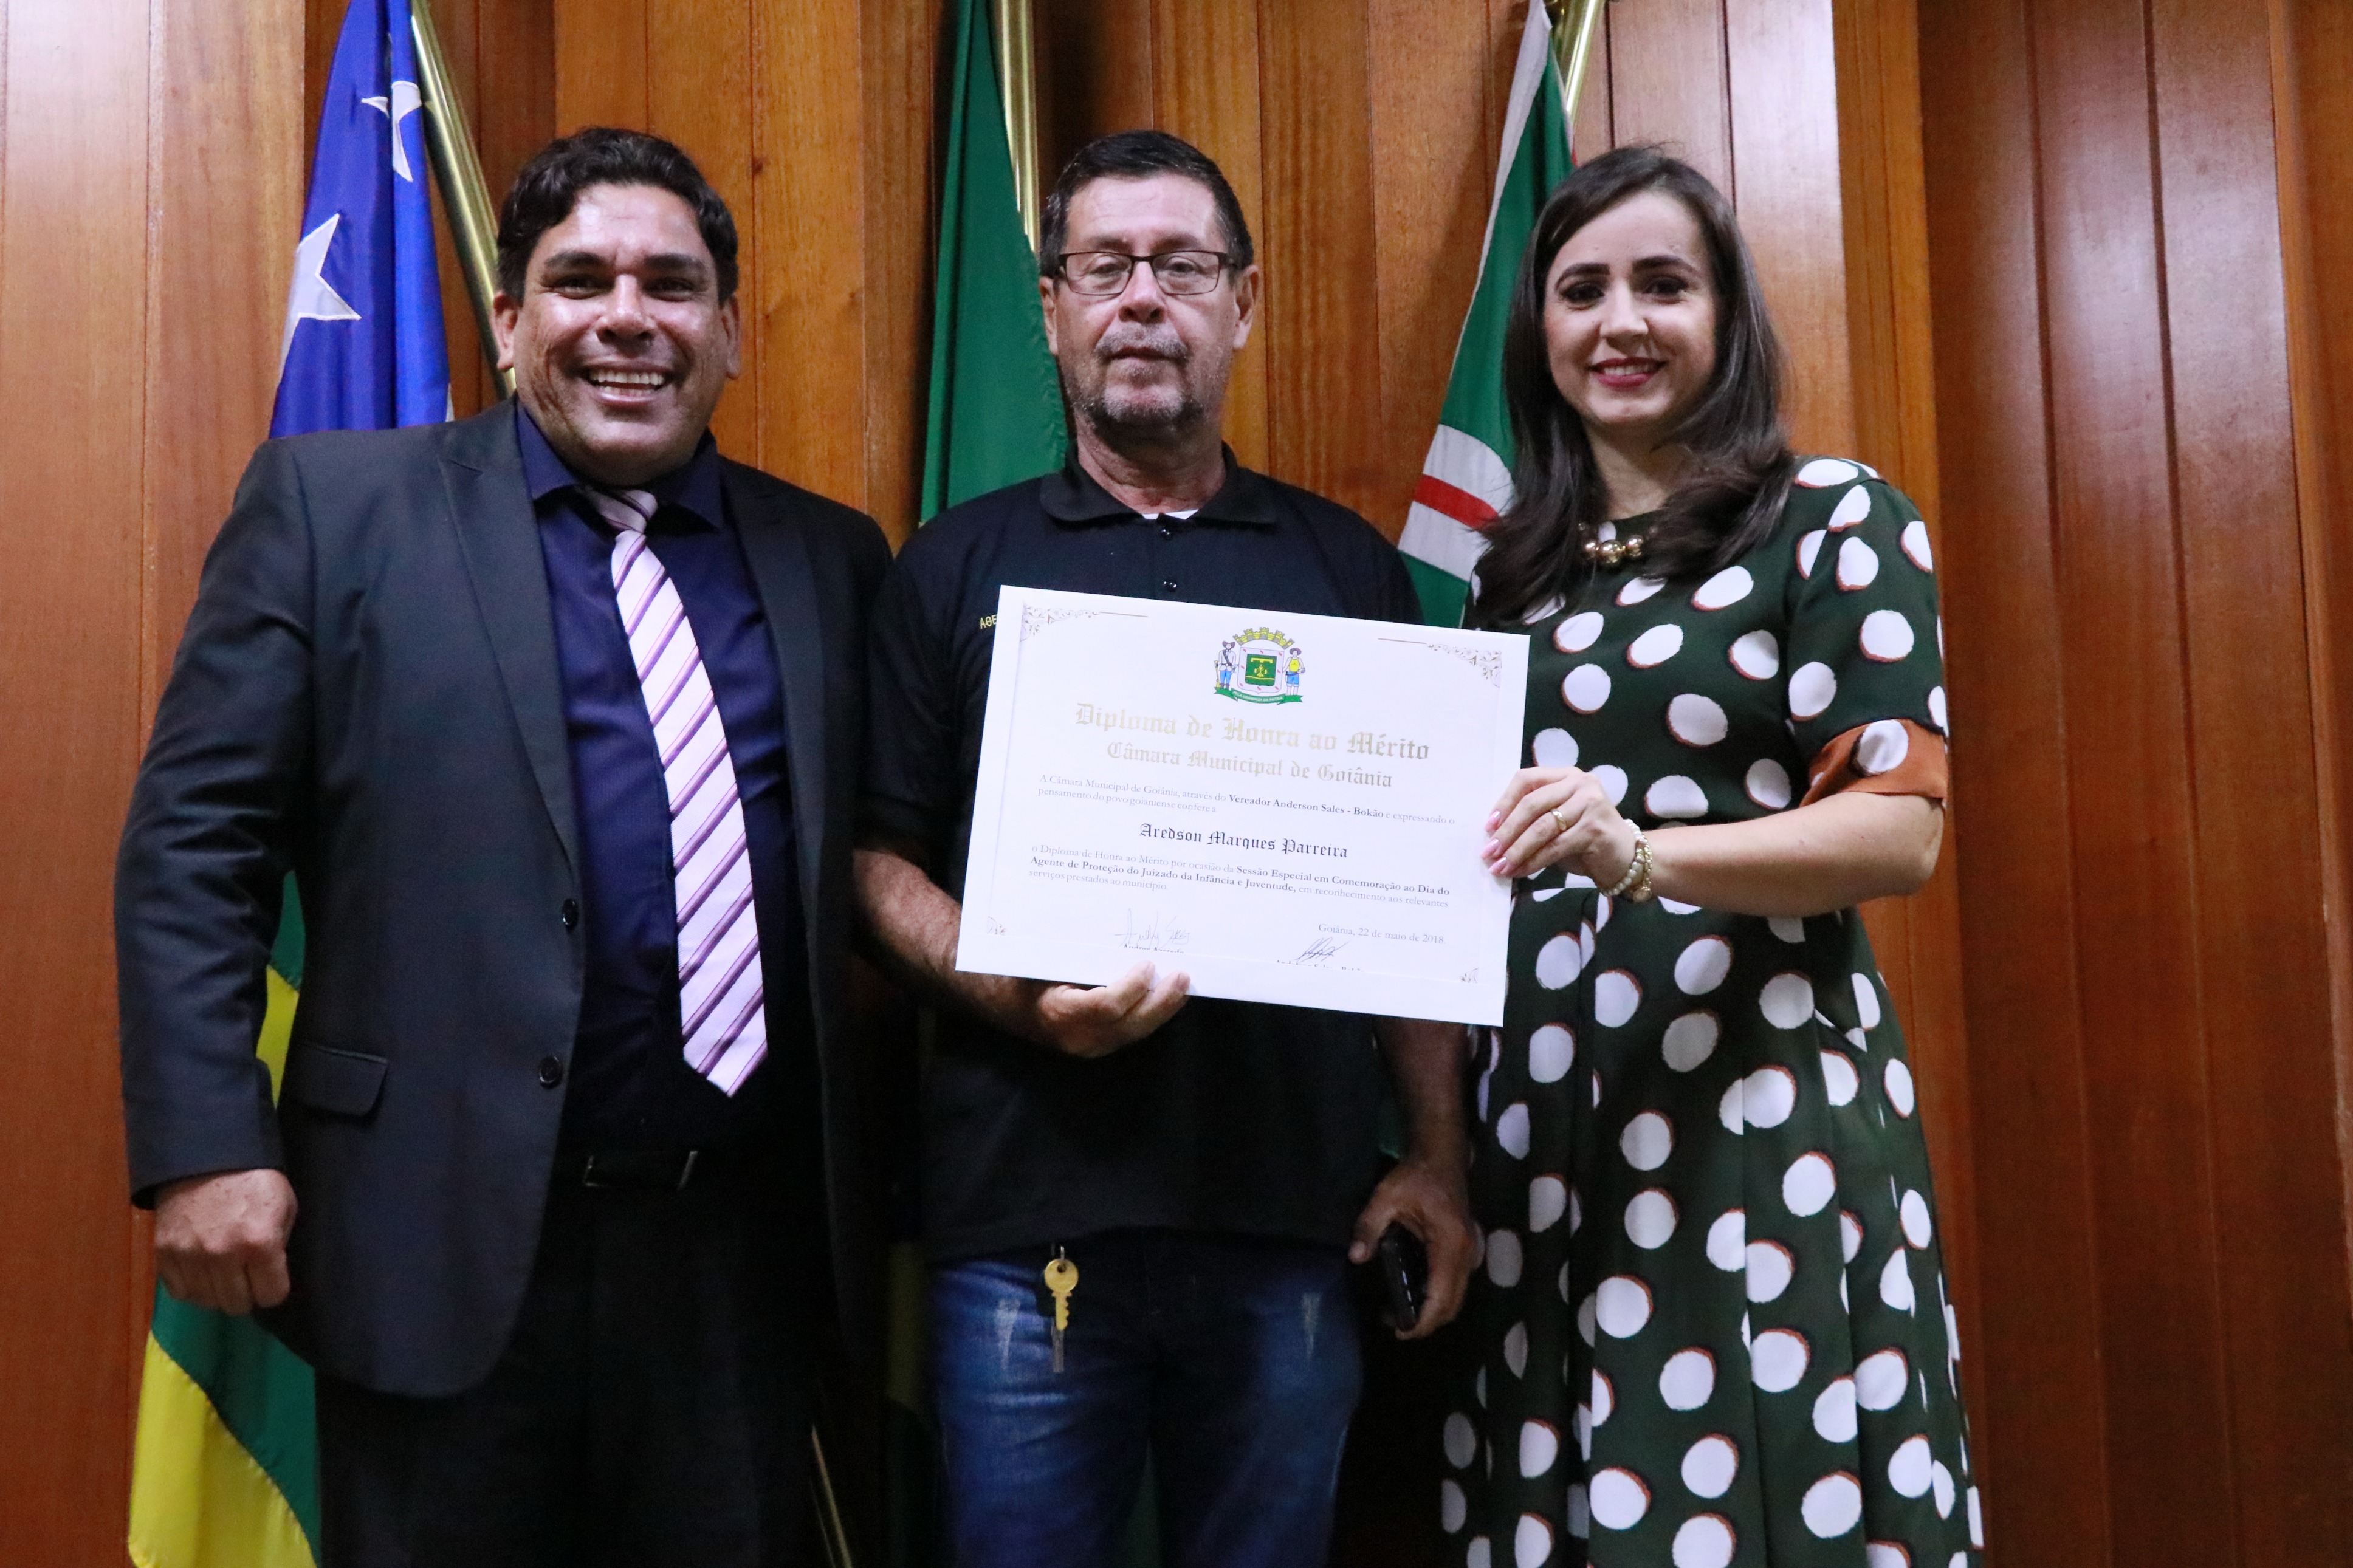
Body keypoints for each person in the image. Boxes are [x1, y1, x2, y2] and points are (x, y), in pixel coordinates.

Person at [115, 128, 889, 1568]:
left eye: (671, 284)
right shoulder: (334, 512)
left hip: (735, 1265)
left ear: (729, 328)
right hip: (432, 1240)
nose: (627, 317)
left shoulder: (830, 558)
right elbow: (194, 849)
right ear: (509, 319)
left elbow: (885, 851)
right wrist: (204, 1147)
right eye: (580, 280)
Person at [856, 129, 1477, 1568]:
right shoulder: (951, 565)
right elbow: (873, 862)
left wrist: (1438, 1159)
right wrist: (1021, 998)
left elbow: (1422, 904)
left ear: (1242, 303)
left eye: (1182, 266)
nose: (1143, 297)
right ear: (1052, 309)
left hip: (1291, 1222)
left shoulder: (1347, 570)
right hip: (1024, 1226)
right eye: (1104, 267)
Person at [1445, 145, 1980, 1567]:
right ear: (1538, 328)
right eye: (1580, 291)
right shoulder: (1507, 582)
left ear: (1728, 315)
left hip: (1754, 1111)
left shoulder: (1831, 517)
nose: (1618, 322)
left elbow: (1898, 827)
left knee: (1768, 1491)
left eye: (1662, 285)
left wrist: (1638, 856)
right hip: (1537, 1136)